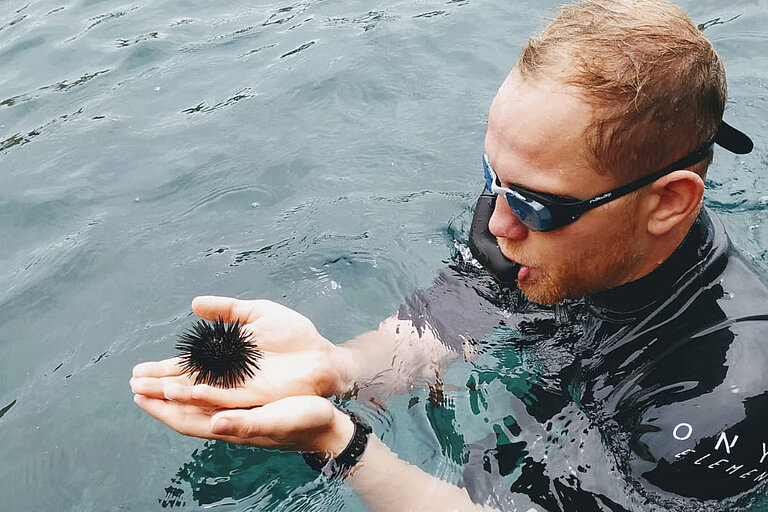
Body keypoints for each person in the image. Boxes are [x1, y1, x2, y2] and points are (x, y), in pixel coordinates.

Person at [130, 0, 768, 510]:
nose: (495, 221)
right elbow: (455, 317)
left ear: (667, 203)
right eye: (492, 179)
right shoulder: (534, 223)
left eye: (536, 205)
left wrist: (342, 444)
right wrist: (336, 366)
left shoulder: (720, 405)